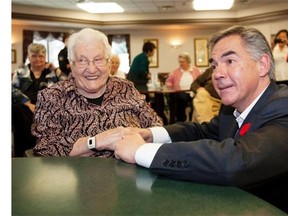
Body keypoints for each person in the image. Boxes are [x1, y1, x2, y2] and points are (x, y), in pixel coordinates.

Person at [112, 26, 288, 213]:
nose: (217, 74)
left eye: (229, 61)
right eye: (214, 65)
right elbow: (201, 131)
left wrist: (140, 151)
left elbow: (236, 161)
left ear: (262, 65)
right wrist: (150, 135)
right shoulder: (231, 109)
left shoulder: (283, 107)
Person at [31, 28, 163, 157]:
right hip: (81, 176)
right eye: (82, 61)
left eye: (98, 59)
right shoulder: (52, 97)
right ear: (71, 64)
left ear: (109, 63)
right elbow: (45, 149)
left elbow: (156, 126)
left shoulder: (126, 88)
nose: (92, 69)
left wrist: (139, 135)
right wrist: (95, 142)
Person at [12, 43, 60, 157]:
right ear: (29, 57)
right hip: (25, 108)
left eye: (41, 56)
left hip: (46, 108)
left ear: (45, 57)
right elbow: (12, 89)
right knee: (17, 109)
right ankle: (23, 154)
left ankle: (42, 151)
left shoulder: (51, 73)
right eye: (34, 56)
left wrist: (56, 69)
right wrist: (28, 104)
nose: (38, 59)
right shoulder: (22, 71)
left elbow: (64, 86)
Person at [165, 52, 200, 122]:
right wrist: (170, 86)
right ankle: (181, 119)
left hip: (193, 92)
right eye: (179, 62)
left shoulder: (195, 70)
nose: (181, 64)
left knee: (197, 100)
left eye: (182, 62)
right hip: (180, 92)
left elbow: (200, 80)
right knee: (181, 98)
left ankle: (192, 119)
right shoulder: (175, 71)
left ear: (188, 61)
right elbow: (168, 82)